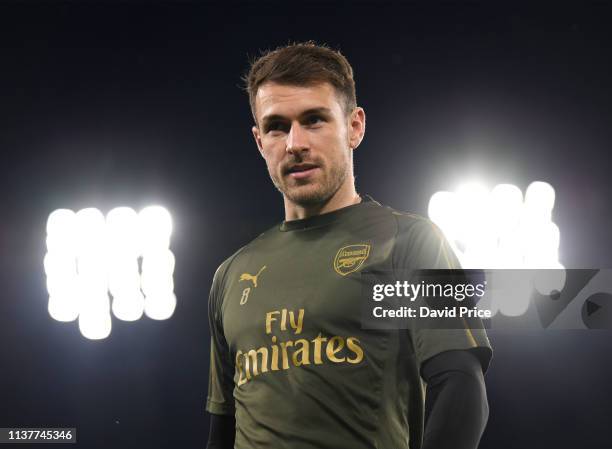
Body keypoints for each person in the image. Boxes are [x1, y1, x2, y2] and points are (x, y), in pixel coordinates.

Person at [205, 41, 492, 449]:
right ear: (259, 141)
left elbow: (462, 385)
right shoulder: (231, 275)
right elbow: (222, 430)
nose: (295, 143)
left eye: (314, 120)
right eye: (277, 127)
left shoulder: (409, 242)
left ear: (354, 126)